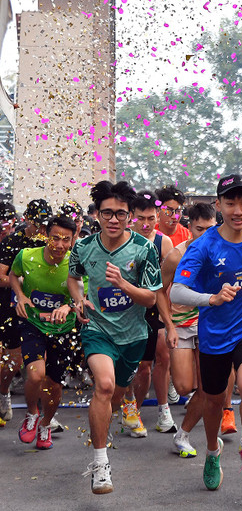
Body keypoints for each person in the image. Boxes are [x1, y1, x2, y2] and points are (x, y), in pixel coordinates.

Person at [171, 174, 242, 490]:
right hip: (214, 334)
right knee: (212, 399)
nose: (238, 210)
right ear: (219, 205)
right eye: (231, 202)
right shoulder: (204, 246)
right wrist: (211, 298)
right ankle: (212, 451)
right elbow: (176, 292)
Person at [69, 181, 162, 494]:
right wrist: (78, 299)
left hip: (133, 336)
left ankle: (116, 415)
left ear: (130, 215)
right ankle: (100, 463)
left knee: (118, 394)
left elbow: (151, 299)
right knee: (104, 386)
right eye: (106, 212)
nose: (113, 219)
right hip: (97, 329)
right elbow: (73, 278)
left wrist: (123, 284)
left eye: (120, 214)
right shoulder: (82, 246)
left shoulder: (144, 248)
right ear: (96, 213)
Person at [10, 214, 78, 449]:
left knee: (54, 384)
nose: (59, 245)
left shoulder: (76, 263)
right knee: (35, 374)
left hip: (64, 329)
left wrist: (68, 306)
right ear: (46, 237)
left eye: (65, 240)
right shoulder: (27, 256)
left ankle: (45, 424)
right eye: (55, 238)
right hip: (32, 323)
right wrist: (21, 296)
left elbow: (83, 296)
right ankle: (31, 414)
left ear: (73, 240)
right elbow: (13, 275)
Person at [159, 202, 217, 458]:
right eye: (199, 229)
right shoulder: (176, 255)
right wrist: (169, 325)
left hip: (211, 325)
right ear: (189, 228)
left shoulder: (225, 252)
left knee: (210, 387)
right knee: (183, 387)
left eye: (211, 229)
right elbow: (159, 291)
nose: (205, 235)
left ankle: (182, 434)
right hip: (181, 325)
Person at [121, 190, 176, 438]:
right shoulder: (122, 240)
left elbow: (167, 283)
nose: (146, 224)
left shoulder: (163, 242)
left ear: (158, 217)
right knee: (137, 366)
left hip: (155, 307)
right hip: (126, 308)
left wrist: (169, 317)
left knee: (161, 357)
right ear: (131, 217)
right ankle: (130, 405)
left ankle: (160, 410)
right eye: (141, 218)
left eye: (151, 218)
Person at [0, 199, 51, 425]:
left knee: (43, 361)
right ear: (27, 220)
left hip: (43, 309)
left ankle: (45, 411)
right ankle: (4, 392)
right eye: (37, 224)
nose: (41, 230)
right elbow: (1, 276)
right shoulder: (13, 242)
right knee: (13, 356)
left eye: (45, 224)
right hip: (11, 305)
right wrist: (21, 285)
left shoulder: (52, 241)